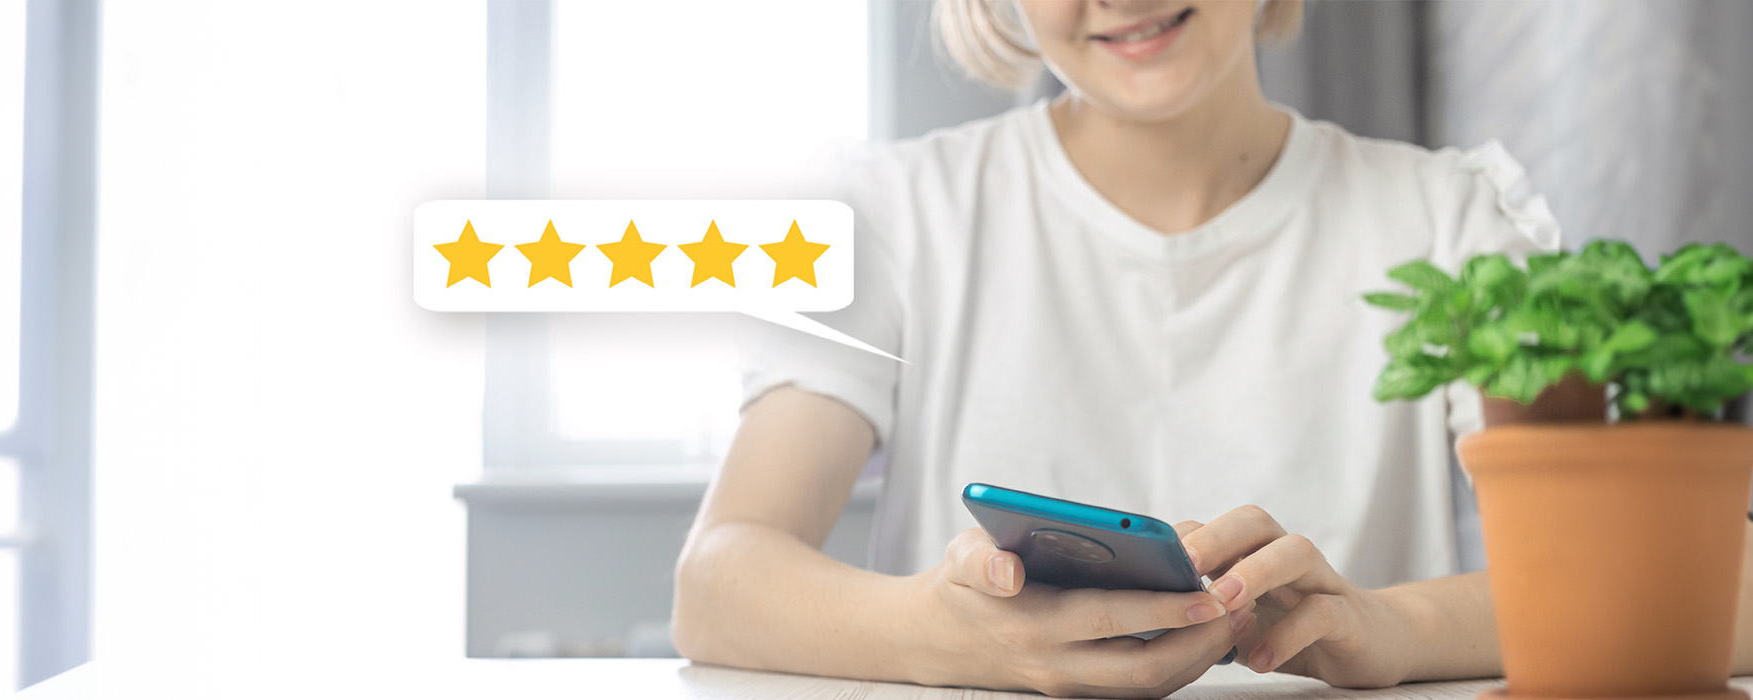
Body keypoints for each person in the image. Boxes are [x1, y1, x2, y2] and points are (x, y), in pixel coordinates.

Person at [670, 1, 1753, 697]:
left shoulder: (1445, 220)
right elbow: (720, 580)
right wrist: (952, 636)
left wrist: (1388, 626)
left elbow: (1711, 587)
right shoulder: (893, 214)